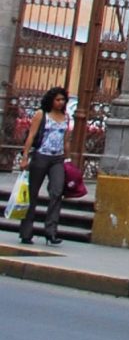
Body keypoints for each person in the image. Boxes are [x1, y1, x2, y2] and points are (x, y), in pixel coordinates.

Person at [17, 87, 71, 246]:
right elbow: (32, 135)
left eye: (63, 100)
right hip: (41, 156)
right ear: (51, 100)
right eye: (58, 100)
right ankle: (26, 232)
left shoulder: (65, 117)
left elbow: (66, 139)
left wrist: (68, 159)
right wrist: (25, 157)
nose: (61, 103)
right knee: (32, 194)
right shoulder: (42, 114)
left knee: (56, 192)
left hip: (57, 158)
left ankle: (51, 231)